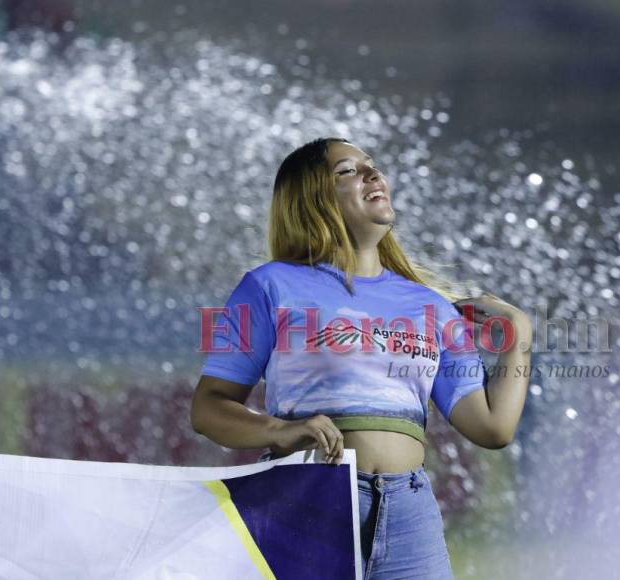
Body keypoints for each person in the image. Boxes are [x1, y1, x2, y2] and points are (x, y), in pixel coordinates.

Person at [190, 137, 533, 579]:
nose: (374, 176)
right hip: (309, 500)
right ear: (312, 199)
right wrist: (282, 430)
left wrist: (518, 333)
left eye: (372, 166)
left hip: (411, 515)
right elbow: (208, 407)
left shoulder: (431, 306)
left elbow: (492, 427)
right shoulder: (270, 286)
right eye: (348, 171)